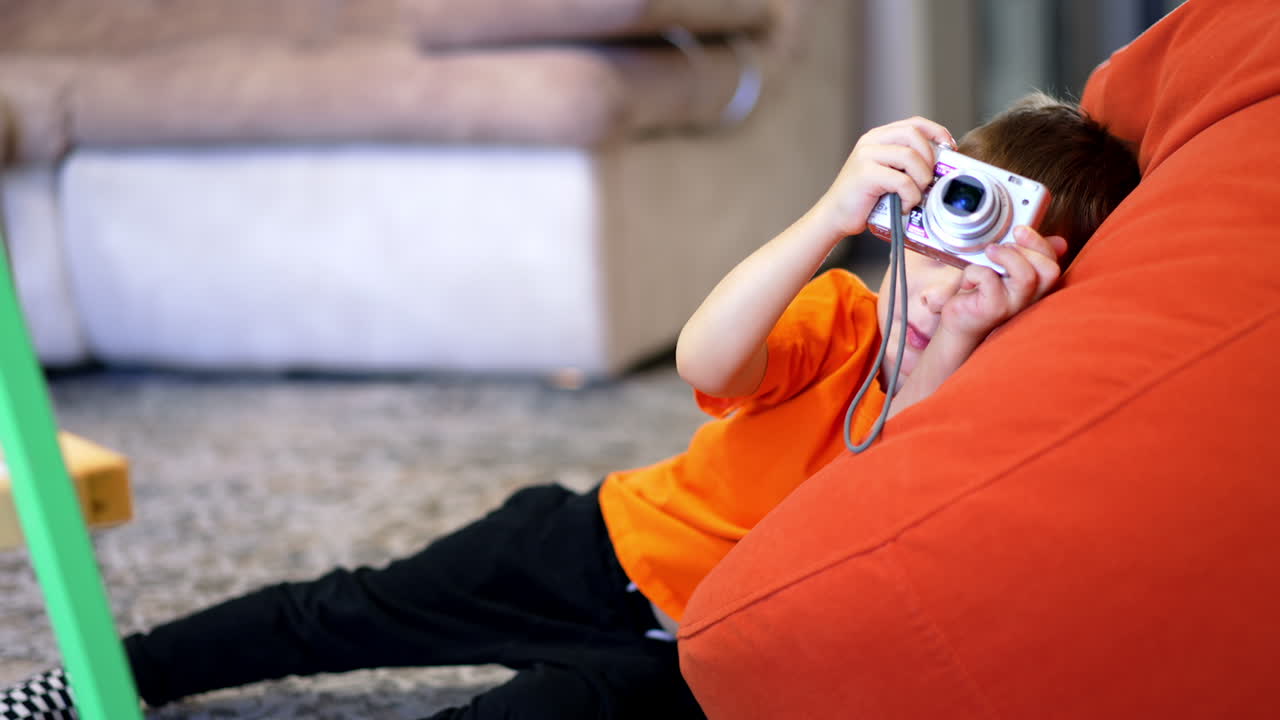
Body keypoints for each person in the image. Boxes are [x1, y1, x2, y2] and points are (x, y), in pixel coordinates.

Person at [0, 92, 1139, 720]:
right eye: (957, 215)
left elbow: (881, 521)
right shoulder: (842, 313)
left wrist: (972, 338)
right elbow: (707, 350)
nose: (957, 271)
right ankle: (112, 676)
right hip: (601, 543)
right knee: (340, 609)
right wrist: (830, 211)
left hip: (699, 657)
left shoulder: (1004, 407)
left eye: (1003, 255)